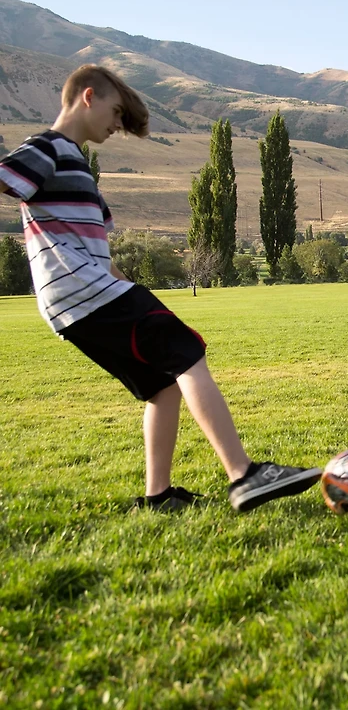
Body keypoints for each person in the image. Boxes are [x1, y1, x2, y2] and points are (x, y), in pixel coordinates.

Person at [0, 64, 321, 512]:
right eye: (115, 113)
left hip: (74, 302)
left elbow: (100, 253)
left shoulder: (76, 167)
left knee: (162, 388)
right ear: (88, 97)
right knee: (187, 351)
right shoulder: (47, 147)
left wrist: (127, 287)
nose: (117, 126)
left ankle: (158, 497)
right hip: (83, 292)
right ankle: (244, 475)